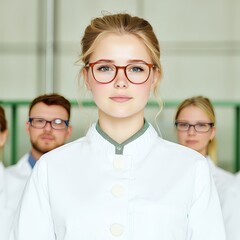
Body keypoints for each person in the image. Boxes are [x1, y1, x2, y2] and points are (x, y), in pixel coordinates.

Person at [10, 13, 225, 240]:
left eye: (136, 69)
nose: (120, 81)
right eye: (105, 68)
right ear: (87, 77)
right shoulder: (51, 168)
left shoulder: (191, 169)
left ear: (154, 77)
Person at [2, 93, 72, 239]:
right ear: (28, 127)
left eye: (57, 122)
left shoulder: (81, 180)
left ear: (68, 131)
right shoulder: (5, 181)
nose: (47, 129)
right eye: (39, 121)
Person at [174, 95, 240, 240]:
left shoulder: (229, 186)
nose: (191, 132)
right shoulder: (164, 179)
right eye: (184, 125)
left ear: (212, 132)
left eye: (201, 125)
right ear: (176, 128)